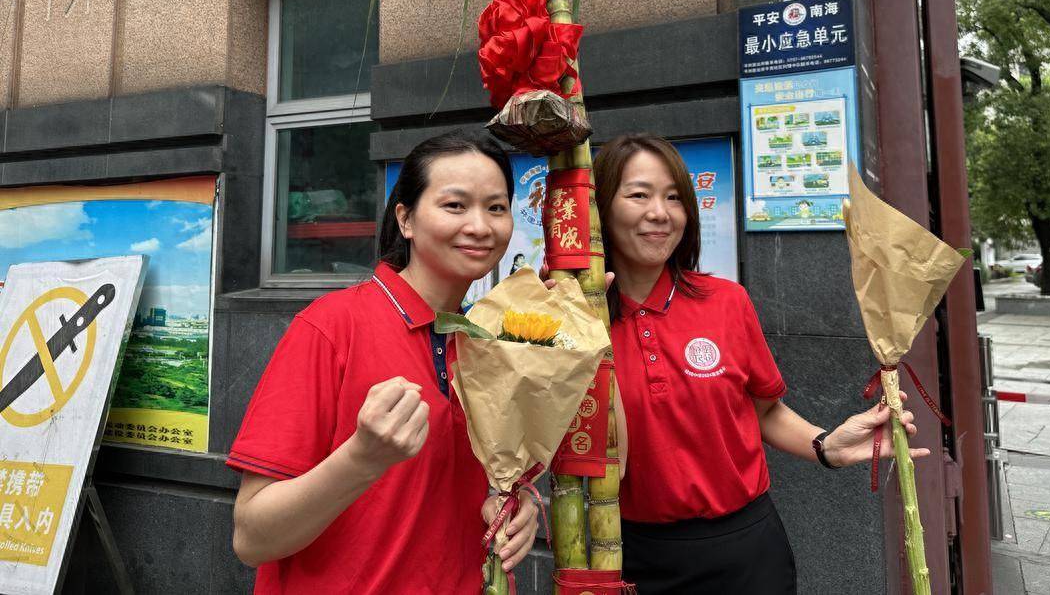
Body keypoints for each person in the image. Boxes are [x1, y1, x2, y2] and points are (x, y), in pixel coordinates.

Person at [592, 134, 928, 594]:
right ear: (601, 209)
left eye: (674, 197)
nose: (659, 213)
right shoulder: (579, 320)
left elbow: (763, 410)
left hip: (744, 550)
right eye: (638, 195)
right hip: (626, 553)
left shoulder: (726, 302)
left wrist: (827, 445)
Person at [226, 131, 539, 594]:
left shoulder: (491, 341)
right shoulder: (331, 327)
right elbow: (252, 537)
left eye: (496, 207)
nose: (480, 226)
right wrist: (361, 459)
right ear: (406, 219)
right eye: (455, 206)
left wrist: (519, 503)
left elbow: (486, 481)